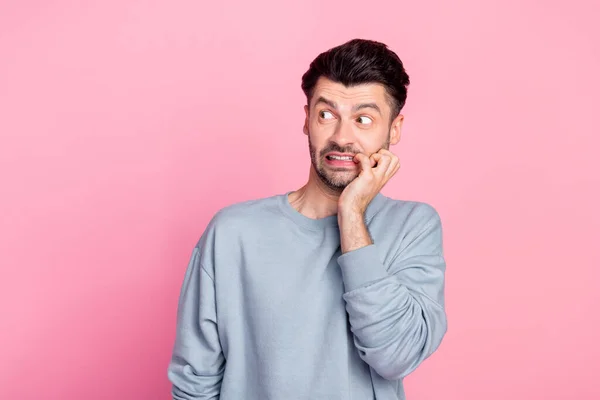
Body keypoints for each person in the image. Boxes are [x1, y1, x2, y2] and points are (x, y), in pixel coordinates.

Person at [167, 38, 447, 400]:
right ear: (307, 119)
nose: (342, 137)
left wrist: (351, 212)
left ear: (394, 129)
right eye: (326, 115)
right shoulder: (233, 233)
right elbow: (195, 381)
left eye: (363, 119)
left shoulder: (413, 227)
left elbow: (397, 355)